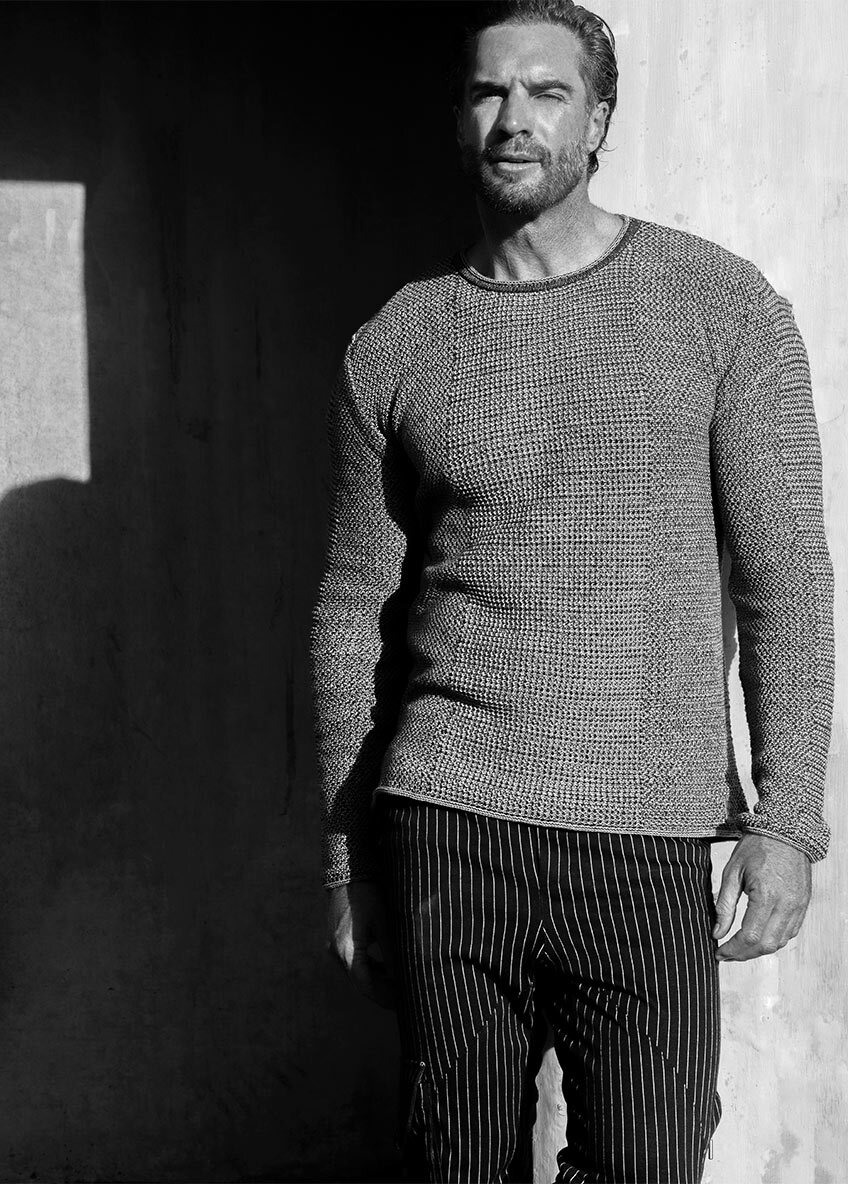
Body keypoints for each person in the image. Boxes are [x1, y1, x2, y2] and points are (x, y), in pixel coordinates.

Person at [308, 1, 835, 1180]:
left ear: (596, 121)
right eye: (488, 92)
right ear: (458, 119)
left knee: (648, 1158)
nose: (514, 118)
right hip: (446, 823)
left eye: (546, 93)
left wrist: (785, 821)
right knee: (455, 1161)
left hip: (643, 837)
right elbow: (351, 612)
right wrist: (350, 863)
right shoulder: (397, 342)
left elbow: (786, 583)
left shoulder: (718, 307)